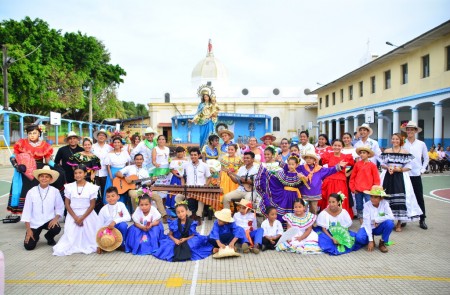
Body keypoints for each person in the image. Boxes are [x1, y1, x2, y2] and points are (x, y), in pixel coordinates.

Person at [8, 124, 64, 215]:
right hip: (24, 172)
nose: (32, 135)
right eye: (30, 133)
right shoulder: (21, 143)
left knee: (39, 192)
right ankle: (27, 215)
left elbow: (47, 160)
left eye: (34, 133)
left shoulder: (44, 145)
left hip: (39, 172)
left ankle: (40, 213)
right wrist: (16, 166)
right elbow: (13, 157)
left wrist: (56, 166)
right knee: (26, 192)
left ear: (39, 134)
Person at [53, 165, 101, 256]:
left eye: (80, 173)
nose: (78, 175)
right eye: (76, 173)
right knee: (68, 241)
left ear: (85, 174)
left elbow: (92, 205)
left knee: (91, 239)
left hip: (87, 214)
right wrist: (75, 218)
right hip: (72, 214)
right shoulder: (69, 187)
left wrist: (82, 218)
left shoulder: (92, 187)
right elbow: (67, 204)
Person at [380, 133, 423, 232]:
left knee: (400, 198)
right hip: (388, 176)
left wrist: (399, 169)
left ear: (400, 141)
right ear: (391, 140)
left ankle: (399, 223)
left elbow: (409, 166)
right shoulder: (387, 151)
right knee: (386, 197)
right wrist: (388, 167)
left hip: (400, 177)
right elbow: (382, 164)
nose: (395, 141)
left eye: (397, 139)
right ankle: (386, 222)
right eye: (393, 139)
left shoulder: (405, 152)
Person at [21, 166, 64, 250]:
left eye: (47, 177)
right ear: (38, 178)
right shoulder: (31, 192)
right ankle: (35, 236)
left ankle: (49, 237)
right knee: (29, 246)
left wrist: (56, 219)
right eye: (42, 176)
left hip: (49, 220)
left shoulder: (55, 191)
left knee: (56, 228)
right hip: (35, 222)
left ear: (50, 179)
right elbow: (27, 211)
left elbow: (60, 207)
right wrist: (29, 230)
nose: (44, 178)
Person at [256, 154, 304, 225]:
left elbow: (304, 183)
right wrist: (267, 173)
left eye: (292, 164)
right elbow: (277, 177)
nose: (290, 166)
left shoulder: (299, 174)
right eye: (289, 164)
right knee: (281, 209)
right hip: (284, 195)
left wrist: (302, 178)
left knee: (293, 210)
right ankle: (280, 226)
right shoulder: (285, 173)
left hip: (294, 195)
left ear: (297, 165)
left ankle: (292, 226)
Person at [402, 121, 429, 230]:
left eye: (412, 129)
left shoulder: (421, 144)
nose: (409, 131)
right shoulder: (403, 143)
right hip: (404, 174)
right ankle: (403, 219)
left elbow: (426, 158)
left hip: (416, 174)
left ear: (415, 131)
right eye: (408, 129)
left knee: (419, 197)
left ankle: (422, 219)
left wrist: (422, 170)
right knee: (405, 196)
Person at [175, 147, 211, 224]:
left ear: (199, 155)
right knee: (178, 197)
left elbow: (209, 177)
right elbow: (182, 178)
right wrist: (183, 187)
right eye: (191, 155)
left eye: (195, 155)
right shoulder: (186, 165)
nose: (193, 157)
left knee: (202, 197)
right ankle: (189, 214)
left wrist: (205, 186)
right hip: (188, 190)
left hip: (200, 190)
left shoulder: (204, 165)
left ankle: (198, 216)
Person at [320, 139, 354, 218]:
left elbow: (354, 165)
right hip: (329, 181)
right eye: (335, 145)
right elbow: (321, 167)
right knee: (330, 199)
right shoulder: (327, 156)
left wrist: (347, 174)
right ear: (332, 146)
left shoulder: (346, 157)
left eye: (339, 146)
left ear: (342, 147)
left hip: (341, 182)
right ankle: (328, 219)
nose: (337, 147)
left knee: (341, 199)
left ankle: (341, 219)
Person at [355, 185, 395, 253]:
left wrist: (377, 220)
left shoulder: (385, 203)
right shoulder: (367, 205)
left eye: (375, 197)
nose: (373, 199)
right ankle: (370, 238)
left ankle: (382, 242)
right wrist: (370, 240)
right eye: (371, 196)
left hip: (378, 226)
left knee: (390, 223)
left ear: (381, 198)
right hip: (368, 226)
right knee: (359, 238)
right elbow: (367, 223)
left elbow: (391, 216)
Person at [67, 137, 102, 212]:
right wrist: (77, 174)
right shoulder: (77, 155)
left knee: (90, 194)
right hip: (79, 177)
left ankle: (92, 211)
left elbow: (96, 168)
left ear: (91, 145)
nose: (87, 146)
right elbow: (73, 166)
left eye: (89, 144)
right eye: (85, 145)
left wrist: (94, 174)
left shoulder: (94, 157)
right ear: (83, 146)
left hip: (90, 177)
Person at [349, 147, 381, 223]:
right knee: (359, 205)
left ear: (368, 154)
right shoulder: (357, 165)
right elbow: (352, 177)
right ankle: (361, 219)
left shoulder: (372, 165)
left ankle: (370, 219)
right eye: (361, 153)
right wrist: (353, 188)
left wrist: (374, 189)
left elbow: (376, 178)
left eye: (364, 153)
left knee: (369, 204)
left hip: (369, 190)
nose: (362, 154)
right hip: (358, 189)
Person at [97, 186, 131, 253]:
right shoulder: (103, 209)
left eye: (113, 196)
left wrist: (115, 221)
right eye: (108, 196)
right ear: (106, 198)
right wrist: (98, 244)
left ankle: (121, 245)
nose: (110, 198)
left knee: (123, 225)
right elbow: (99, 224)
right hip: (107, 230)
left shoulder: (121, 205)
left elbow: (128, 217)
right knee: (105, 239)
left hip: (118, 228)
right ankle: (108, 245)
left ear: (118, 197)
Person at [103, 136, 131, 203]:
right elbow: (108, 167)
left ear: (121, 144)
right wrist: (111, 177)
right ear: (113, 144)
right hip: (113, 173)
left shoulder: (125, 152)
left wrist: (126, 173)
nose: (117, 144)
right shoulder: (109, 154)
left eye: (118, 142)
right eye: (115, 142)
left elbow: (127, 163)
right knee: (112, 190)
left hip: (123, 173)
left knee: (122, 189)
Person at [92, 129, 113, 202]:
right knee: (95, 191)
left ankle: (104, 204)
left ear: (106, 137)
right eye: (100, 135)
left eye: (103, 135)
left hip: (105, 173)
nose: (101, 137)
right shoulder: (92, 147)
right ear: (97, 137)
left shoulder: (109, 148)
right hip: (94, 173)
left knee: (105, 190)